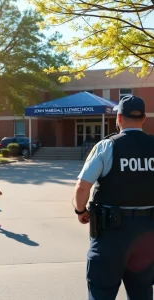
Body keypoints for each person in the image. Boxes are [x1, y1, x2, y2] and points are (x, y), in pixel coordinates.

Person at [73, 95, 154, 300]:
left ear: (118, 118)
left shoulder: (106, 146)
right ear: (143, 118)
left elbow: (83, 187)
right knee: (142, 293)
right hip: (148, 235)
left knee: (101, 292)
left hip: (111, 234)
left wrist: (80, 210)